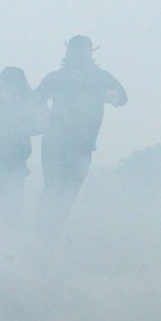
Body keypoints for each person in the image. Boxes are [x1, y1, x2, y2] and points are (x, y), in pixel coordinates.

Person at [35, 35, 127, 238]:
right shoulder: (59, 77)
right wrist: (42, 111)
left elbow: (122, 97)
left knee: (66, 189)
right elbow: (36, 99)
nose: (77, 57)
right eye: (75, 52)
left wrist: (113, 97)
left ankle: (49, 234)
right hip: (57, 141)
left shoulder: (99, 78)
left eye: (81, 52)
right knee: (55, 187)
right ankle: (45, 234)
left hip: (81, 143)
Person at [0, 67, 47, 226]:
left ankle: (10, 239)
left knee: (13, 205)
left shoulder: (26, 99)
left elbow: (41, 124)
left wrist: (27, 121)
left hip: (15, 160)